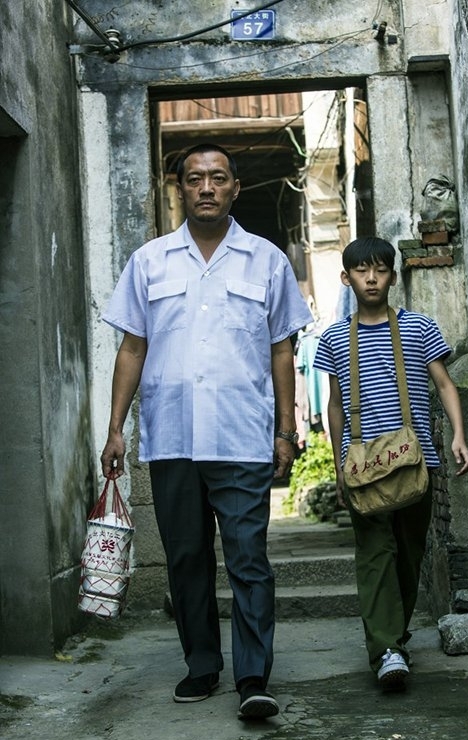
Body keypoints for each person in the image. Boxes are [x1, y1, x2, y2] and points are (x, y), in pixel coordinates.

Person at [100, 143, 313, 719]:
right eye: (195, 179)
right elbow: (132, 347)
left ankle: (252, 675)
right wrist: (116, 428)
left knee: (249, 558)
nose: (207, 188)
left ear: (235, 188)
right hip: (171, 436)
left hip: (242, 436)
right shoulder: (150, 261)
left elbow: (281, 350)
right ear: (181, 189)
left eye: (218, 178)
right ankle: (201, 664)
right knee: (186, 557)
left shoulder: (266, 259)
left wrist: (285, 430)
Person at [313, 236, 468, 690]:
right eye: (362, 271)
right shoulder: (334, 338)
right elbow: (336, 407)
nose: (371, 278)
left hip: (416, 463)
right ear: (347, 278)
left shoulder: (420, 328)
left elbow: (443, 384)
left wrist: (458, 434)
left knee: (409, 554)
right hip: (363, 468)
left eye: (380, 270)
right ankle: (385, 649)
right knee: (375, 554)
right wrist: (339, 461)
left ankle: (394, 636)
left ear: (392, 277)